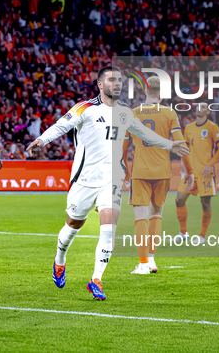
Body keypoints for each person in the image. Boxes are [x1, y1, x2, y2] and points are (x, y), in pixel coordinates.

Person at [26, 66, 189, 300]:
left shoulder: (126, 113)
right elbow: (63, 124)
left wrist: (170, 144)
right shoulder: (85, 108)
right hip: (84, 179)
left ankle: (96, 279)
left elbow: (144, 134)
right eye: (112, 80)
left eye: (120, 80)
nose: (118, 83)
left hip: (112, 178)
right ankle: (60, 258)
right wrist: (42, 139)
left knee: (109, 228)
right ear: (101, 85)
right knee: (72, 226)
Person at [122, 76, 193, 274]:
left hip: (141, 170)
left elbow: (124, 146)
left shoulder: (133, 113)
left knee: (140, 217)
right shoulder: (169, 114)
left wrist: (124, 168)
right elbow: (181, 145)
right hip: (163, 171)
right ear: (161, 94)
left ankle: (143, 263)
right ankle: (151, 260)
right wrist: (189, 170)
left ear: (145, 91)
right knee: (156, 214)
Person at [175, 102, 219, 244]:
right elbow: (185, 147)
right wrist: (182, 162)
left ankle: (202, 236)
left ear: (208, 112)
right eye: (198, 106)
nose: (200, 108)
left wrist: (210, 165)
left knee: (205, 203)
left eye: (203, 107)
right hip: (191, 172)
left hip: (205, 173)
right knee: (179, 200)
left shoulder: (212, 127)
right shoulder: (189, 127)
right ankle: (183, 232)